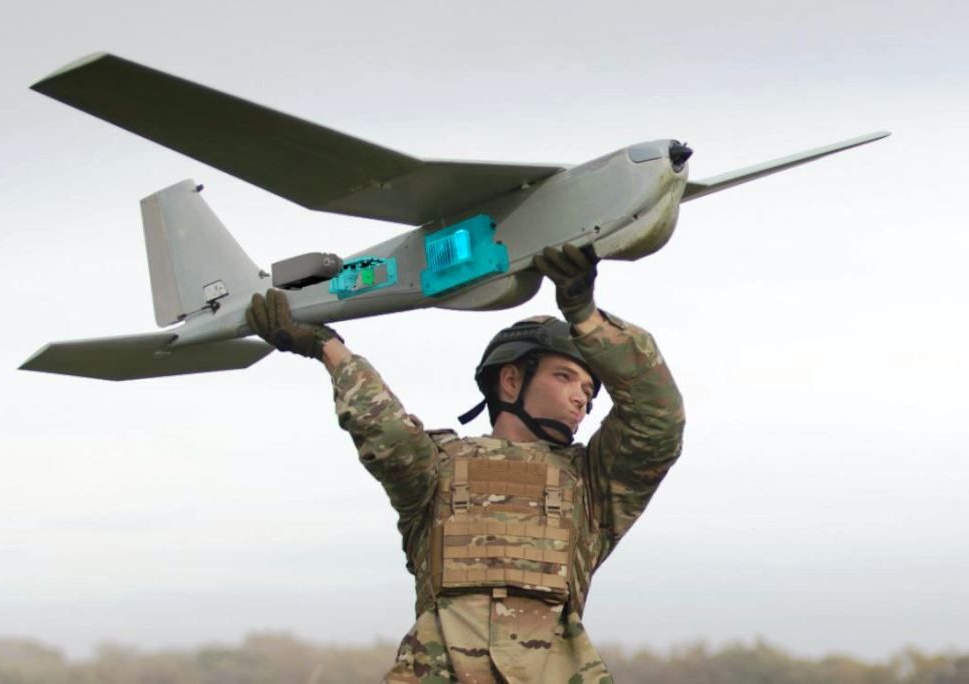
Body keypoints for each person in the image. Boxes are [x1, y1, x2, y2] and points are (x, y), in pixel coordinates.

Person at [247, 244, 685, 683]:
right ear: (511, 380)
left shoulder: (593, 484)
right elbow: (387, 432)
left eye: (589, 391)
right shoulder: (437, 468)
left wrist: (585, 315)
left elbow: (658, 419)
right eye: (564, 376)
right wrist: (327, 348)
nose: (580, 399)